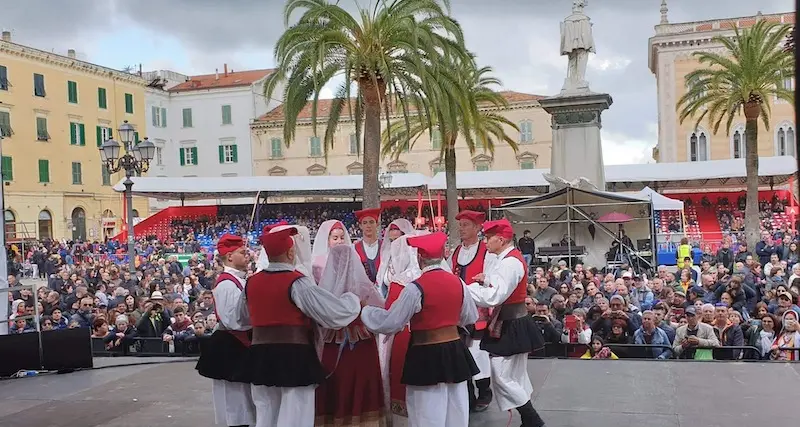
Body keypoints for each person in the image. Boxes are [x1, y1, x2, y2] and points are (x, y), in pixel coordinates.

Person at [244, 225, 362, 427]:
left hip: (260, 355)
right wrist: (353, 300)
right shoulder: (297, 282)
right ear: (291, 252)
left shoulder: (251, 283)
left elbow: (242, 318)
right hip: (293, 356)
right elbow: (331, 314)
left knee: (265, 411)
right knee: (295, 411)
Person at [362, 232, 479, 427]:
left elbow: (392, 322)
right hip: (455, 351)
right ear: (442, 255)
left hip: (426, 353)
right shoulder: (458, 283)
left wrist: (366, 312)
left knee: (426, 410)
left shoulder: (415, 288)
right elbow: (469, 316)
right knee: (456, 407)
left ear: (419, 258)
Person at [466, 219, 547, 427]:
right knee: (513, 375)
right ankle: (529, 419)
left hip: (511, 323)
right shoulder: (509, 259)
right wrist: (486, 280)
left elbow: (495, 296)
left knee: (502, 375)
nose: (485, 242)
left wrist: (464, 290)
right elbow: (503, 286)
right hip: (513, 321)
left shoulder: (510, 262)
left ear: (500, 239)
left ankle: (532, 419)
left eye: (488, 238)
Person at [315, 245, 386, 426]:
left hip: (334, 343)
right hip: (361, 344)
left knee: (338, 384)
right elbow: (380, 310)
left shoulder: (324, 288)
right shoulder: (364, 286)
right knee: (360, 382)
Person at [195, 234, 256, 427]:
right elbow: (234, 320)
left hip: (237, 343)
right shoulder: (227, 284)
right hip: (231, 344)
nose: (247, 256)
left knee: (242, 396)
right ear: (229, 256)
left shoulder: (238, 281)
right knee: (233, 398)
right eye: (242, 253)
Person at [449, 210, 494, 412]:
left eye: (466, 225)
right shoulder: (457, 251)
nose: (462, 229)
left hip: (479, 309)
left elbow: (491, 279)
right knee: (461, 352)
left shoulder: (486, 251)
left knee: (478, 352)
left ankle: (484, 391)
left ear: (477, 228)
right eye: (461, 225)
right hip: (459, 310)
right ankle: (467, 394)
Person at [379, 235, 421, 421]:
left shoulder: (398, 283)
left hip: (403, 336)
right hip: (427, 337)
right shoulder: (425, 276)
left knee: (400, 375)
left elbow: (390, 316)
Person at [376, 218, 415, 296]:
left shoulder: (412, 254)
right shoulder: (388, 254)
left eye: (397, 239)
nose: (394, 243)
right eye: (391, 240)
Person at [353, 208, 383, 284]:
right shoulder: (354, 248)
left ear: (377, 224)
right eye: (365, 223)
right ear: (360, 226)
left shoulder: (384, 247)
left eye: (371, 222)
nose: (368, 226)